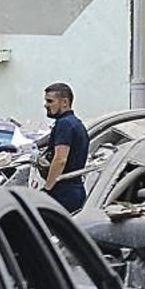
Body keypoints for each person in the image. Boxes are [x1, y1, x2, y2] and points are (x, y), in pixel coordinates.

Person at [41, 82, 90, 213]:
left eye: (50, 101)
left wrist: (47, 189)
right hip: (74, 189)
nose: (46, 105)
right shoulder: (75, 123)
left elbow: (60, 159)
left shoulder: (65, 124)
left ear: (64, 102)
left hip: (63, 192)